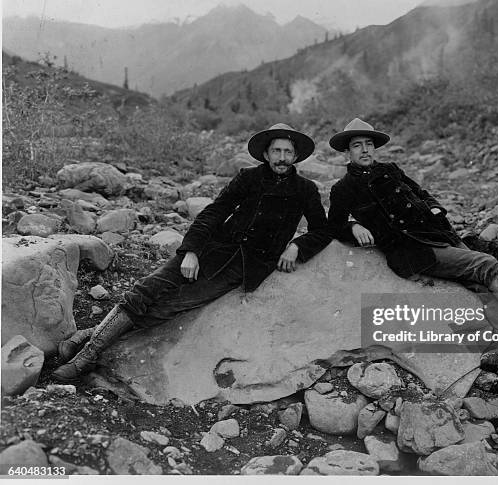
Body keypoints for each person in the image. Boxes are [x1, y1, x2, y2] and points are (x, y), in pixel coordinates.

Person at [53, 123, 332, 382]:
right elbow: (213, 212)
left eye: (287, 152)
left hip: (246, 265)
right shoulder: (248, 178)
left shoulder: (305, 189)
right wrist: (191, 251)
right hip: (212, 248)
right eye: (276, 151)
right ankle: (87, 357)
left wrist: (296, 246)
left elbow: (322, 229)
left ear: (295, 156)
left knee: (171, 307)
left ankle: (91, 336)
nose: (282, 157)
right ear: (266, 154)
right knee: (145, 289)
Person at [327, 118, 498, 381]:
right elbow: (334, 225)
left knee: (480, 286)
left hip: (439, 234)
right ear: (347, 152)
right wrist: (353, 227)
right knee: (487, 264)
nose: (364, 150)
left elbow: (421, 192)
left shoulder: (390, 169)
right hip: (413, 251)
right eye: (357, 145)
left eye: (368, 144)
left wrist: (434, 208)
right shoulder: (343, 189)